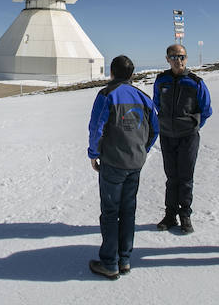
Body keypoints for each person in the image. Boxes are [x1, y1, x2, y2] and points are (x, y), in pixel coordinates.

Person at [87, 55, 159, 279]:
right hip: (135, 163)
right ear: (132, 74)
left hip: (113, 162)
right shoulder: (143, 97)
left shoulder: (107, 94)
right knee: (128, 211)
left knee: (110, 212)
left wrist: (94, 153)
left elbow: (96, 126)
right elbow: (155, 128)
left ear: (111, 72)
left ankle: (110, 262)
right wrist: (142, 149)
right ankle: (125, 259)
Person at [153, 44, 212, 234]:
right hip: (167, 135)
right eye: (174, 57)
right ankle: (170, 215)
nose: (178, 60)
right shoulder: (161, 80)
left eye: (182, 57)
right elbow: (156, 103)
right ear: (167, 59)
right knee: (171, 177)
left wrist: (192, 126)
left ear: (186, 59)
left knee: (185, 177)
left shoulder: (195, 82)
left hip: (188, 137)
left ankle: (185, 215)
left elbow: (206, 109)